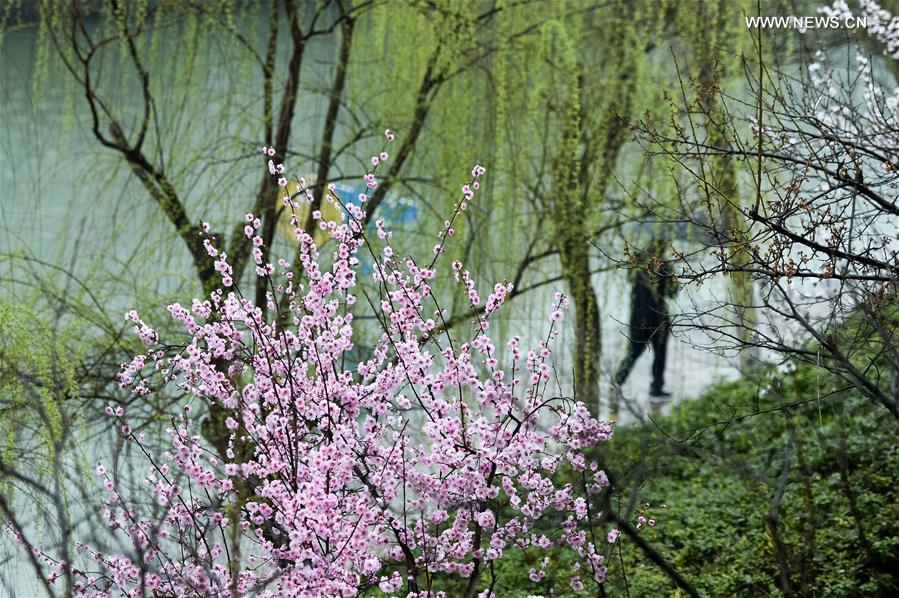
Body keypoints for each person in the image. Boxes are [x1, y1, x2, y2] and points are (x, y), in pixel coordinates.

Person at [614, 241, 678, 400]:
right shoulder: (664, 266)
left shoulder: (636, 264)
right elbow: (672, 293)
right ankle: (656, 388)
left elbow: (630, 281)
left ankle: (617, 381)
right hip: (658, 316)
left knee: (634, 351)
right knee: (660, 353)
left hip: (638, 316)